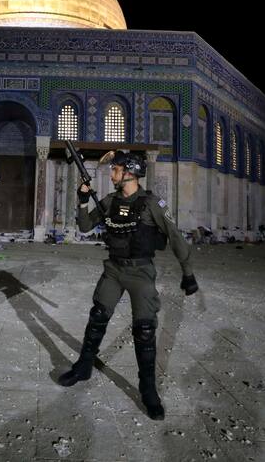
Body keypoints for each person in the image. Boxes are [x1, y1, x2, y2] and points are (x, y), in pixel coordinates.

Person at [57, 151, 199, 421]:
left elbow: (175, 237)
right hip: (114, 269)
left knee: (144, 331)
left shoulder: (152, 204)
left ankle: (148, 390)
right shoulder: (109, 201)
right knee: (97, 317)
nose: (111, 174)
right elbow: (86, 226)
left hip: (140, 273)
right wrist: (83, 199)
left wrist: (188, 274)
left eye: (115, 170)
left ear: (129, 172)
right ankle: (84, 366)